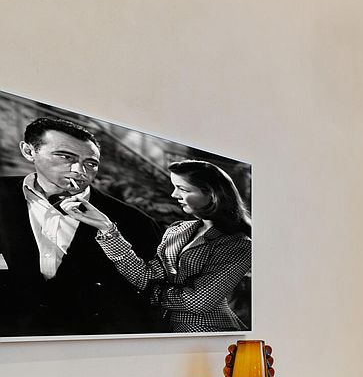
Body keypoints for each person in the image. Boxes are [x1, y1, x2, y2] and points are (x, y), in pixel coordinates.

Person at [0, 117, 160, 337]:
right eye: (65, 157)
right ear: (29, 152)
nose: (80, 170)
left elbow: (151, 293)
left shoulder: (135, 221)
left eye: (91, 163)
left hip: (92, 347)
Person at [63, 159, 252, 333]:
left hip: (209, 332)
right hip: (163, 328)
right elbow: (145, 277)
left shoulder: (238, 243)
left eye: (183, 189)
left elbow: (199, 301)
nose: (173, 194)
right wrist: (106, 228)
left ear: (212, 195)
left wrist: (152, 294)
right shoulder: (177, 230)